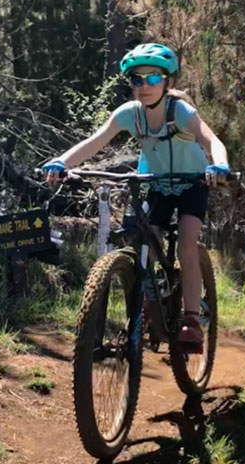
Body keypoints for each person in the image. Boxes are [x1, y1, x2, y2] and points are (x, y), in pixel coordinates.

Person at [42, 43, 230, 353]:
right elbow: (95, 142)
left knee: (186, 242)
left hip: (193, 183)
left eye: (153, 79)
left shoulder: (179, 111)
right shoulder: (129, 115)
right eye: (136, 80)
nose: (144, 86)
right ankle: (150, 293)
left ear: (167, 82)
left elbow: (212, 140)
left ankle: (192, 319)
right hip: (157, 184)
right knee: (143, 239)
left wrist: (219, 165)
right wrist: (62, 162)